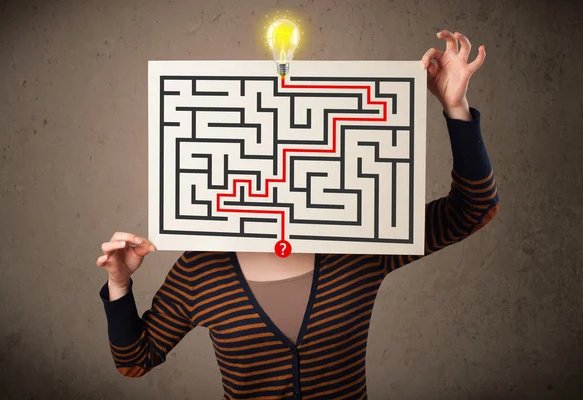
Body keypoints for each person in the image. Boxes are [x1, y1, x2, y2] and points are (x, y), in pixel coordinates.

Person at [97, 30, 499, 400]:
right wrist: (119, 282)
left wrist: (455, 106)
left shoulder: (361, 242)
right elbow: (135, 359)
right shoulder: (201, 269)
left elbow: (473, 208)